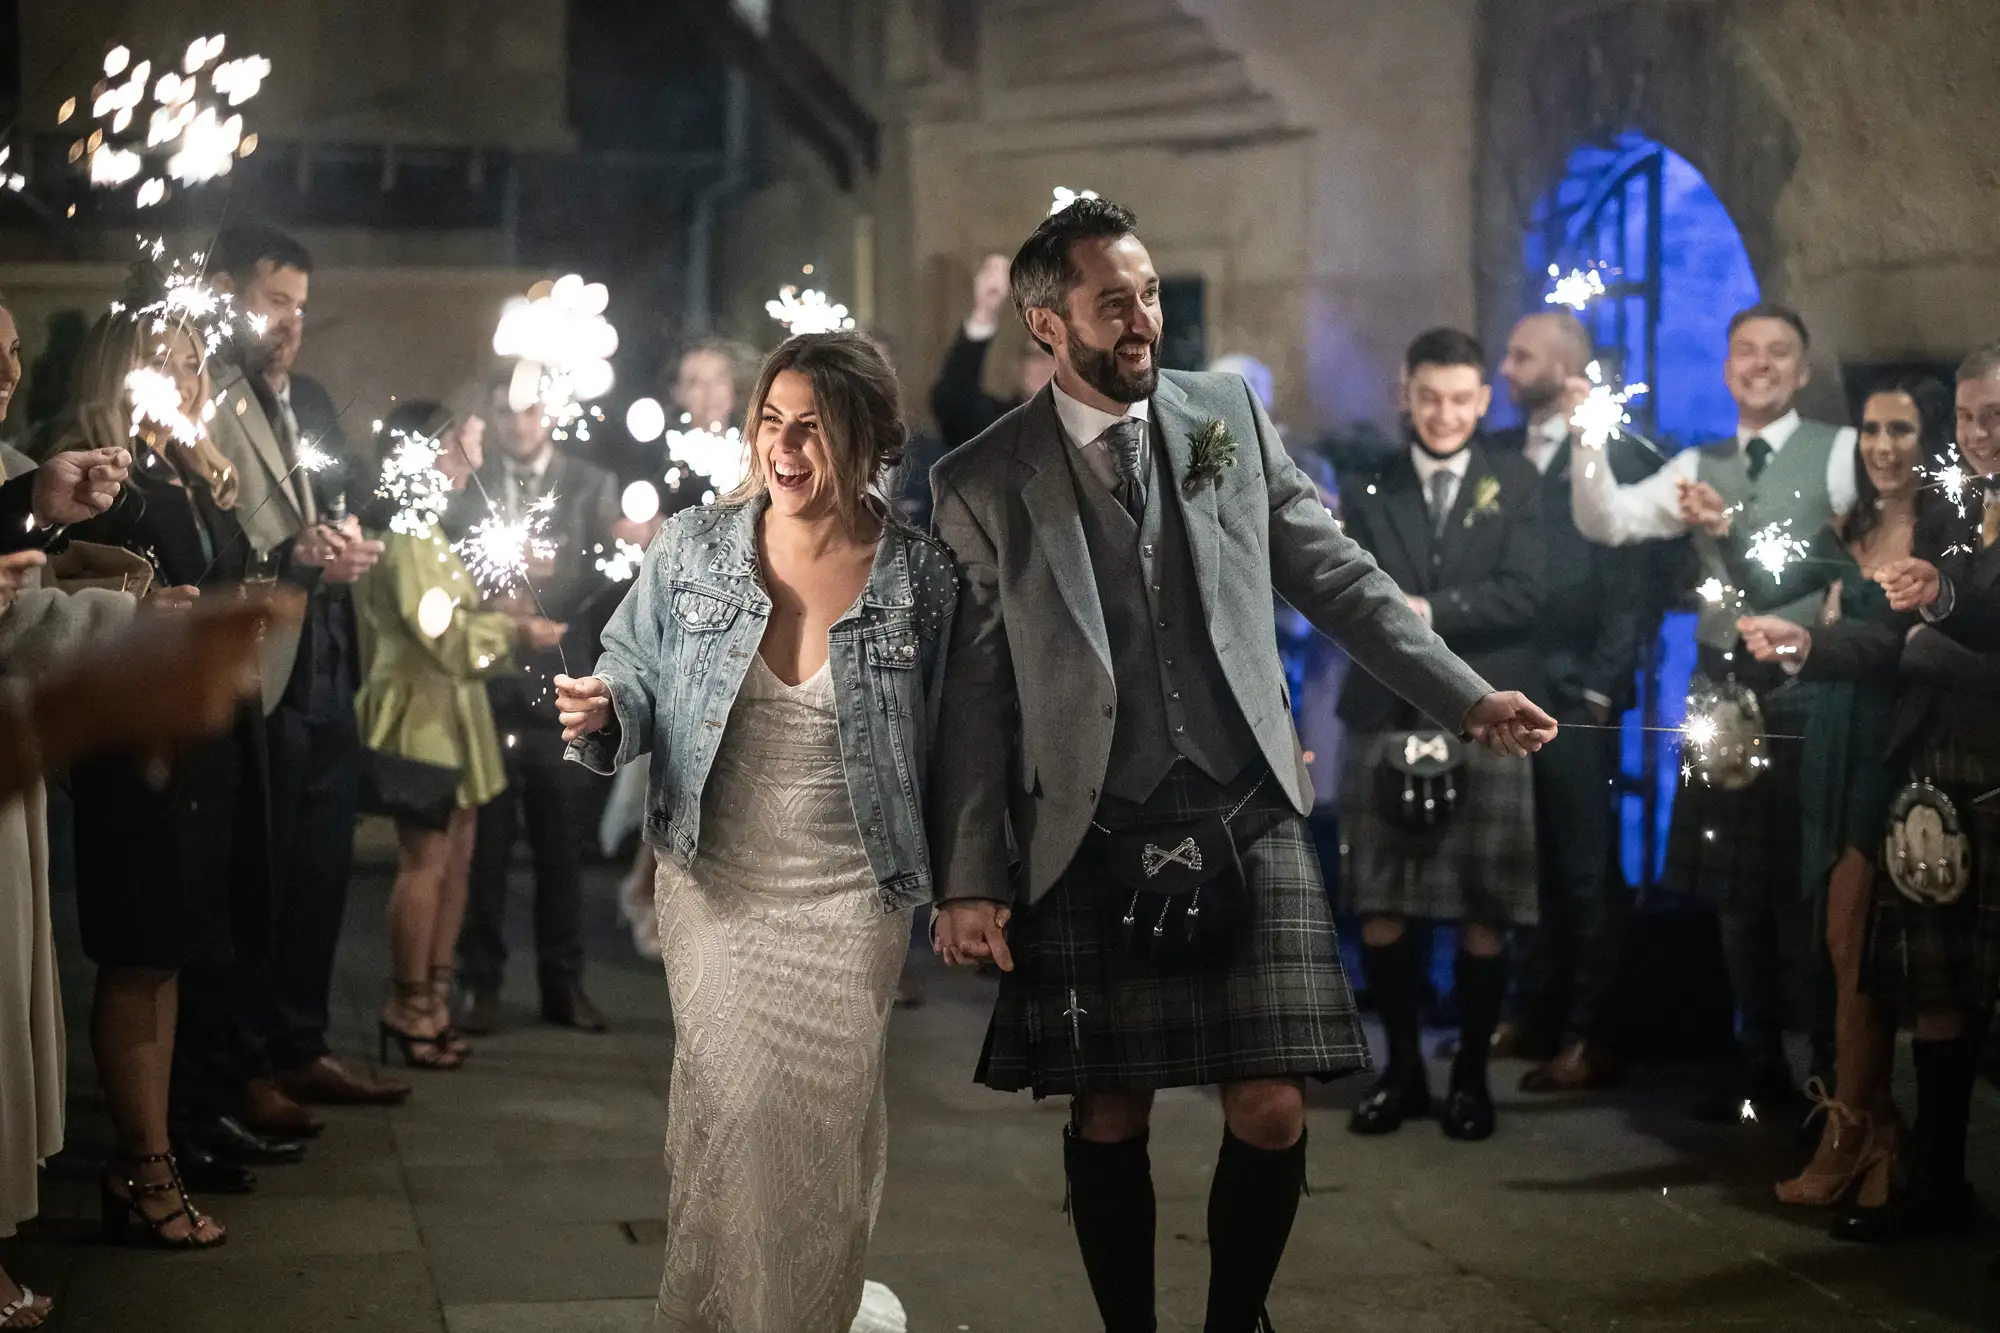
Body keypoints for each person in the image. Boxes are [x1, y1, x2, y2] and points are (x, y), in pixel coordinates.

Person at [925, 199, 1555, 1333]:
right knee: (1108, 1110)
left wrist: (1462, 694)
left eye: (1150, 292)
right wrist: (969, 873)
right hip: (1085, 822)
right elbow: (973, 694)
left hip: (1243, 799)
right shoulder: (979, 480)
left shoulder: (1225, 415)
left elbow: (1341, 578)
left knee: (1269, 1106)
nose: (1141, 319)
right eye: (1111, 300)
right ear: (1045, 323)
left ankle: (1233, 1324)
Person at [557, 331, 955, 1333]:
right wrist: (611, 706)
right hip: (719, 881)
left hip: (850, 894)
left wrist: (977, 884)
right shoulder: (692, 545)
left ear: (866, 441)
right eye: (770, 422)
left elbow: (966, 736)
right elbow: (633, 663)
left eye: (812, 429)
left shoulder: (922, 577)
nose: (783, 447)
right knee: (731, 1112)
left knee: (823, 1132)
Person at [1573, 302, 1858, 1121]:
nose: (1760, 365)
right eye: (1745, 352)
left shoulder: (1842, 454)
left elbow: (1858, 565)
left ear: (1803, 370)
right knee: (1736, 893)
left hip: (1809, 688)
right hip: (1723, 692)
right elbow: (1608, 519)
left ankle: (1826, 1071)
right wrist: (1591, 433)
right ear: (1728, 367)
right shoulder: (1699, 461)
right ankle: (1758, 1061)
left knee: (1805, 891)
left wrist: (1735, 532)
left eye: (1778, 353)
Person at [1742, 345, 2000, 1245]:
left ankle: (1876, 1138)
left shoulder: (1944, 520)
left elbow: (1911, 640)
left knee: (1874, 949)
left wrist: (1928, 618)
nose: (1889, 444)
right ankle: (1896, 1151)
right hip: (1875, 739)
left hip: (1924, 752)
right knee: (1887, 962)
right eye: (1875, 429)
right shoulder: (1879, 517)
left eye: (1908, 428)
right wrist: (1801, 643)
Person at [48, 293, 276, 1246]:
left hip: (207, 732)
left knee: (174, 948)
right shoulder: (104, 476)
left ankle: (153, 1151)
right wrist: (146, 613)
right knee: (139, 950)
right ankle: (141, 1165)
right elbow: (60, 597)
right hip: (139, 742)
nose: (183, 377)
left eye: (192, 360)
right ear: (120, 370)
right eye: (162, 358)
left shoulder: (191, 469)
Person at [206, 223, 405, 1115]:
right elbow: (224, 534)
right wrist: (296, 555)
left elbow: (339, 496)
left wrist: (348, 541)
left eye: (300, 307)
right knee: (265, 868)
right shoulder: (210, 400)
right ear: (227, 292)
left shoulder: (309, 399)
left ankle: (301, 1039)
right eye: (274, 300)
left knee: (322, 865)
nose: (290, 321)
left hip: (327, 652)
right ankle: (244, 1060)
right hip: (261, 659)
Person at [1335, 328, 1546, 1143]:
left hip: (1490, 713)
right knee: (1385, 905)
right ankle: (1401, 1072)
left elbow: (1529, 592)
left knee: (1485, 907)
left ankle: (1469, 1082)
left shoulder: (1517, 478)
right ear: (1404, 393)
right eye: (1429, 397)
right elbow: (1346, 589)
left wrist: (1428, 615)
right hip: (1384, 710)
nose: (1446, 413)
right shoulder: (1369, 482)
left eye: (1462, 399)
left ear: (1484, 399)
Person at [357, 404, 551, 1070]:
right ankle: (408, 1004)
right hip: (422, 716)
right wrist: (513, 631)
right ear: (433, 450)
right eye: (465, 442)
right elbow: (440, 634)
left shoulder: (432, 531)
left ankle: (433, 1000)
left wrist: (497, 613)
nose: (474, 454)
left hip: (453, 713)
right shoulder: (410, 536)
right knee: (427, 861)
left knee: (456, 855)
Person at [1489, 311, 1652, 1089]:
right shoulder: (1501, 452)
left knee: (1587, 863)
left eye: (1522, 357)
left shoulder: (1607, 452)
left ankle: (1596, 1032)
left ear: (1565, 367)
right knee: (1533, 856)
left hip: (1577, 687)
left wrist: (1599, 685)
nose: (1506, 367)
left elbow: (1630, 585)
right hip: (1516, 681)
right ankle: (1535, 1009)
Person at [454, 377, 619, 1035]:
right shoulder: (474, 479)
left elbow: (612, 574)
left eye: (528, 408)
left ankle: (564, 981)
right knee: (485, 843)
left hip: (563, 675)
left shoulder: (590, 481)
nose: (518, 421)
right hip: (492, 677)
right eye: (504, 408)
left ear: (551, 409)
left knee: (561, 843)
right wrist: (497, 607)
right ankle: (480, 982)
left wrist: (562, 617)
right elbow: (457, 565)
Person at [609, 337, 766, 960]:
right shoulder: (660, 465)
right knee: (675, 768)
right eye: (691, 380)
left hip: (746, 634)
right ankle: (653, 889)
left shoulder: (754, 462)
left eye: (715, 380)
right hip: (679, 636)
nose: (702, 393)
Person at [929, 252, 1058, 452]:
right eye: (1036, 356)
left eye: (1056, 357)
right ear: (1018, 367)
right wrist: (984, 314)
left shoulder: (1100, 429)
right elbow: (953, 403)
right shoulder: (997, 426)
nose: (1047, 366)